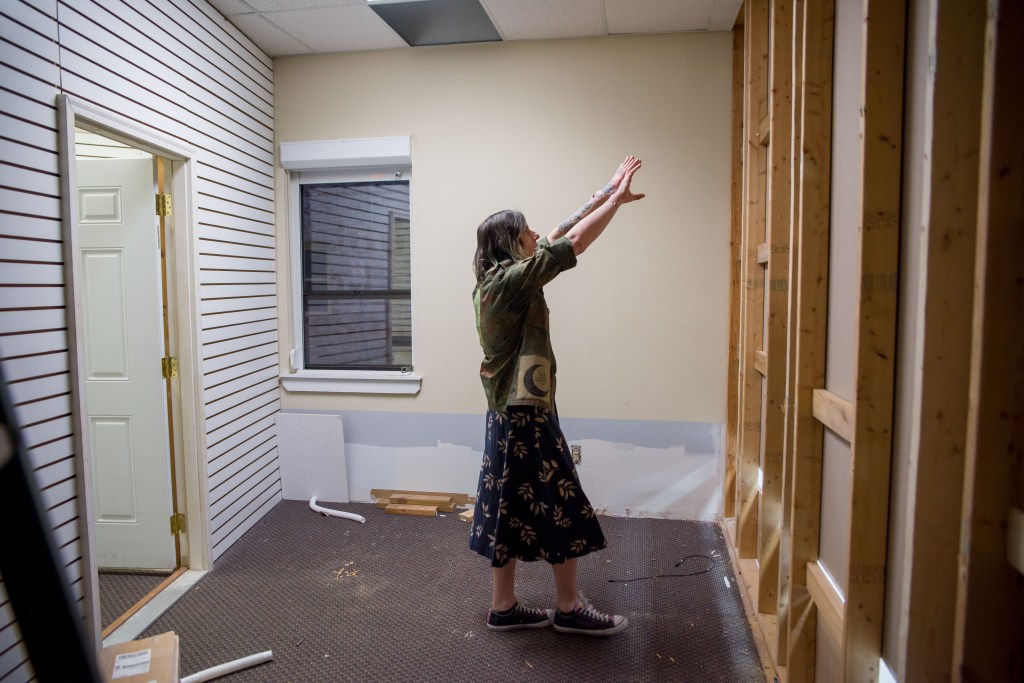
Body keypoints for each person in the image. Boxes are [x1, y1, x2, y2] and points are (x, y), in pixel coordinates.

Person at [469, 156, 645, 636]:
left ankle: (502, 607)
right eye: (526, 232)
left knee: (507, 506)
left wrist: (604, 193)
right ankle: (568, 608)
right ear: (509, 243)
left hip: (506, 417)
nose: (535, 235)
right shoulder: (509, 284)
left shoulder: (498, 281)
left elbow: (560, 231)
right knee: (560, 502)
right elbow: (574, 241)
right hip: (525, 418)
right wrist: (615, 204)